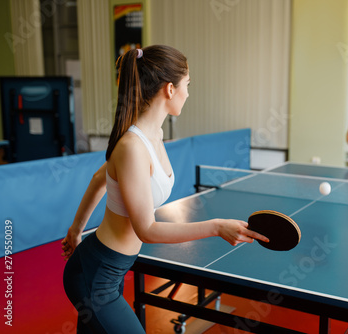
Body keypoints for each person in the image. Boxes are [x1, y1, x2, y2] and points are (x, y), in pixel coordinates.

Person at [61, 45, 268, 334]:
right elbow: (147, 229)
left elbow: (100, 178)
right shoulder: (133, 147)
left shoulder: (154, 135)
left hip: (112, 268)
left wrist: (75, 230)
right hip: (97, 275)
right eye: (187, 85)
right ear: (170, 89)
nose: (188, 93)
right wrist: (217, 227)